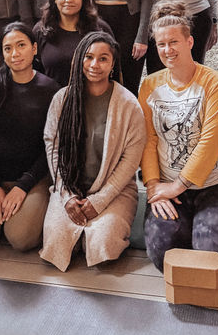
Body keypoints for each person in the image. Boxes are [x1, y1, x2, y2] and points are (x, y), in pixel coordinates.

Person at [139, 0, 218, 273]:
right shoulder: (149, 86)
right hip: (167, 186)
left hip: (215, 185)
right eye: (161, 44)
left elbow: (210, 142)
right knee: (164, 252)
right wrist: (154, 187)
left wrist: (177, 186)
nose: (167, 50)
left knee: (213, 258)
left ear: (190, 42)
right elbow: (148, 140)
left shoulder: (216, 83)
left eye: (174, 42)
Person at [41, 31, 145, 272]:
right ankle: (79, 231)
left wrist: (100, 200)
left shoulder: (129, 104)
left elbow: (131, 160)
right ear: (79, 60)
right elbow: (52, 147)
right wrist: (66, 196)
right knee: (56, 241)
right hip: (70, 186)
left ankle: (91, 235)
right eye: (88, 57)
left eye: (103, 59)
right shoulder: (62, 98)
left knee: (104, 245)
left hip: (115, 191)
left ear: (113, 64)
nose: (94, 65)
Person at [0, 23, 60, 251]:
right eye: (8, 48)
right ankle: (1, 217)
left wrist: (24, 186)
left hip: (33, 178)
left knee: (21, 239)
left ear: (34, 48)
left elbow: (53, 145)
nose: (15, 53)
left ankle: (22, 215)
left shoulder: (51, 90)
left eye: (21, 45)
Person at [33, 0, 113, 87]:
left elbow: (113, 73)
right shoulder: (40, 30)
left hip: (91, 97)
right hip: (52, 97)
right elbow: (34, 74)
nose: (69, 0)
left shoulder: (101, 30)